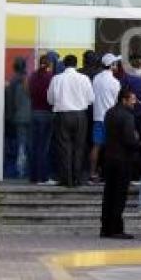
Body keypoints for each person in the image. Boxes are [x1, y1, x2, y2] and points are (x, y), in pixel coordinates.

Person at [100, 87, 141, 239]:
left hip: (109, 158)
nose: (134, 103)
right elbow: (129, 140)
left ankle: (105, 227)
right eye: (132, 100)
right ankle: (116, 228)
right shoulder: (127, 116)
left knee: (109, 194)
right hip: (123, 160)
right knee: (119, 196)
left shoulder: (109, 113)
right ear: (124, 100)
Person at [47, 55, 95, 188]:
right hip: (80, 115)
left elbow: (50, 100)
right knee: (79, 147)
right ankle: (77, 178)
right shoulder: (84, 78)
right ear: (76, 64)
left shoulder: (57, 79)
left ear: (64, 64)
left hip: (62, 115)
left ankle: (66, 179)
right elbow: (91, 99)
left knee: (64, 148)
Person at [90, 54, 122, 184]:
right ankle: (107, 174)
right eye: (116, 63)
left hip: (97, 116)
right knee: (111, 147)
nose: (118, 66)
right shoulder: (115, 82)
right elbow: (117, 101)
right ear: (112, 65)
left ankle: (92, 173)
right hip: (111, 118)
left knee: (96, 146)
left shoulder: (96, 79)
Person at [29, 55, 56, 184]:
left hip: (34, 112)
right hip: (46, 114)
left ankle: (34, 177)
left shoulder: (33, 76)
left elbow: (30, 93)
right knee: (44, 147)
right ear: (49, 65)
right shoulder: (51, 78)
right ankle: (43, 177)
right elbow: (53, 97)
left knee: (35, 146)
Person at [4, 57, 32, 180]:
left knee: (19, 144)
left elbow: (10, 102)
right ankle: (27, 170)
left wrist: (8, 117)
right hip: (31, 117)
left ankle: (20, 170)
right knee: (28, 144)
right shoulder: (30, 79)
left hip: (18, 117)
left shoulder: (13, 82)